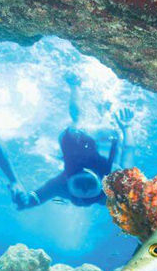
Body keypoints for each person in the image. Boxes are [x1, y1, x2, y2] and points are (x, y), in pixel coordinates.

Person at [16, 73, 136, 209]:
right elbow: (129, 150)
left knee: (78, 121)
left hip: (76, 152)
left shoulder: (60, 185)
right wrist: (127, 128)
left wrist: (24, 200)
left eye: (80, 183)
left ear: (69, 182)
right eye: (89, 184)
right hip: (102, 166)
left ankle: (75, 85)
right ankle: (103, 111)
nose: (85, 184)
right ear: (101, 182)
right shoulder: (114, 180)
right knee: (113, 138)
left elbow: (36, 198)